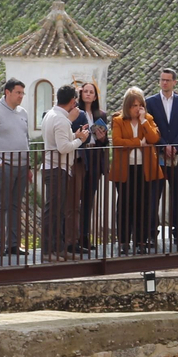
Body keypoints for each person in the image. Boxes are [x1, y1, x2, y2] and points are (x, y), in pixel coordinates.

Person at [0, 78, 32, 259]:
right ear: (7, 92)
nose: (21, 96)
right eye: (18, 93)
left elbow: (27, 139)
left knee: (16, 206)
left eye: (22, 93)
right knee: (1, 205)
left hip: (22, 165)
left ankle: (14, 244)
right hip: (5, 166)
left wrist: (29, 164)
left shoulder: (23, 113)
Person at [108, 87, 162, 254]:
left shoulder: (148, 119)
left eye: (139, 105)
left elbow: (154, 139)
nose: (137, 108)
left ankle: (141, 241)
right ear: (127, 106)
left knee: (143, 206)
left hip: (144, 169)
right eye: (133, 105)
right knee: (124, 205)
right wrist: (138, 142)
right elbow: (117, 141)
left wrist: (144, 121)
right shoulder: (118, 120)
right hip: (125, 169)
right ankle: (123, 241)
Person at [146, 68, 178, 247]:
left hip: (177, 155)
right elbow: (151, 126)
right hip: (156, 156)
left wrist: (173, 145)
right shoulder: (150, 102)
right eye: (162, 80)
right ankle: (151, 234)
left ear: (174, 82)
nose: (164, 83)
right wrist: (163, 144)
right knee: (153, 196)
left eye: (168, 80)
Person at [40, 85, 90, 260]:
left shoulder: (50, 116)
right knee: (53, 211)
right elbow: (63, 148)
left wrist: (74, 136)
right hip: (56, 168)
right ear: (72, 101)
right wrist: (80, 140)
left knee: (58, 211)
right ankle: (48, 250)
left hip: (53, 168)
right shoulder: (61, 120)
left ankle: (58, 248)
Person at [74, 82, 109, 253]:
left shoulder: (100, 114)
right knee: (76, 199)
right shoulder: (76, 113)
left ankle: (85, 236)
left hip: (95, 156)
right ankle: (75, 236)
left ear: (95, 96)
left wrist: (102, 138)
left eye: (91, 92)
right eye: (85, 91)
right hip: (81, 156)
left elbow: (106, 142)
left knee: (89, 199)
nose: (88, 94)